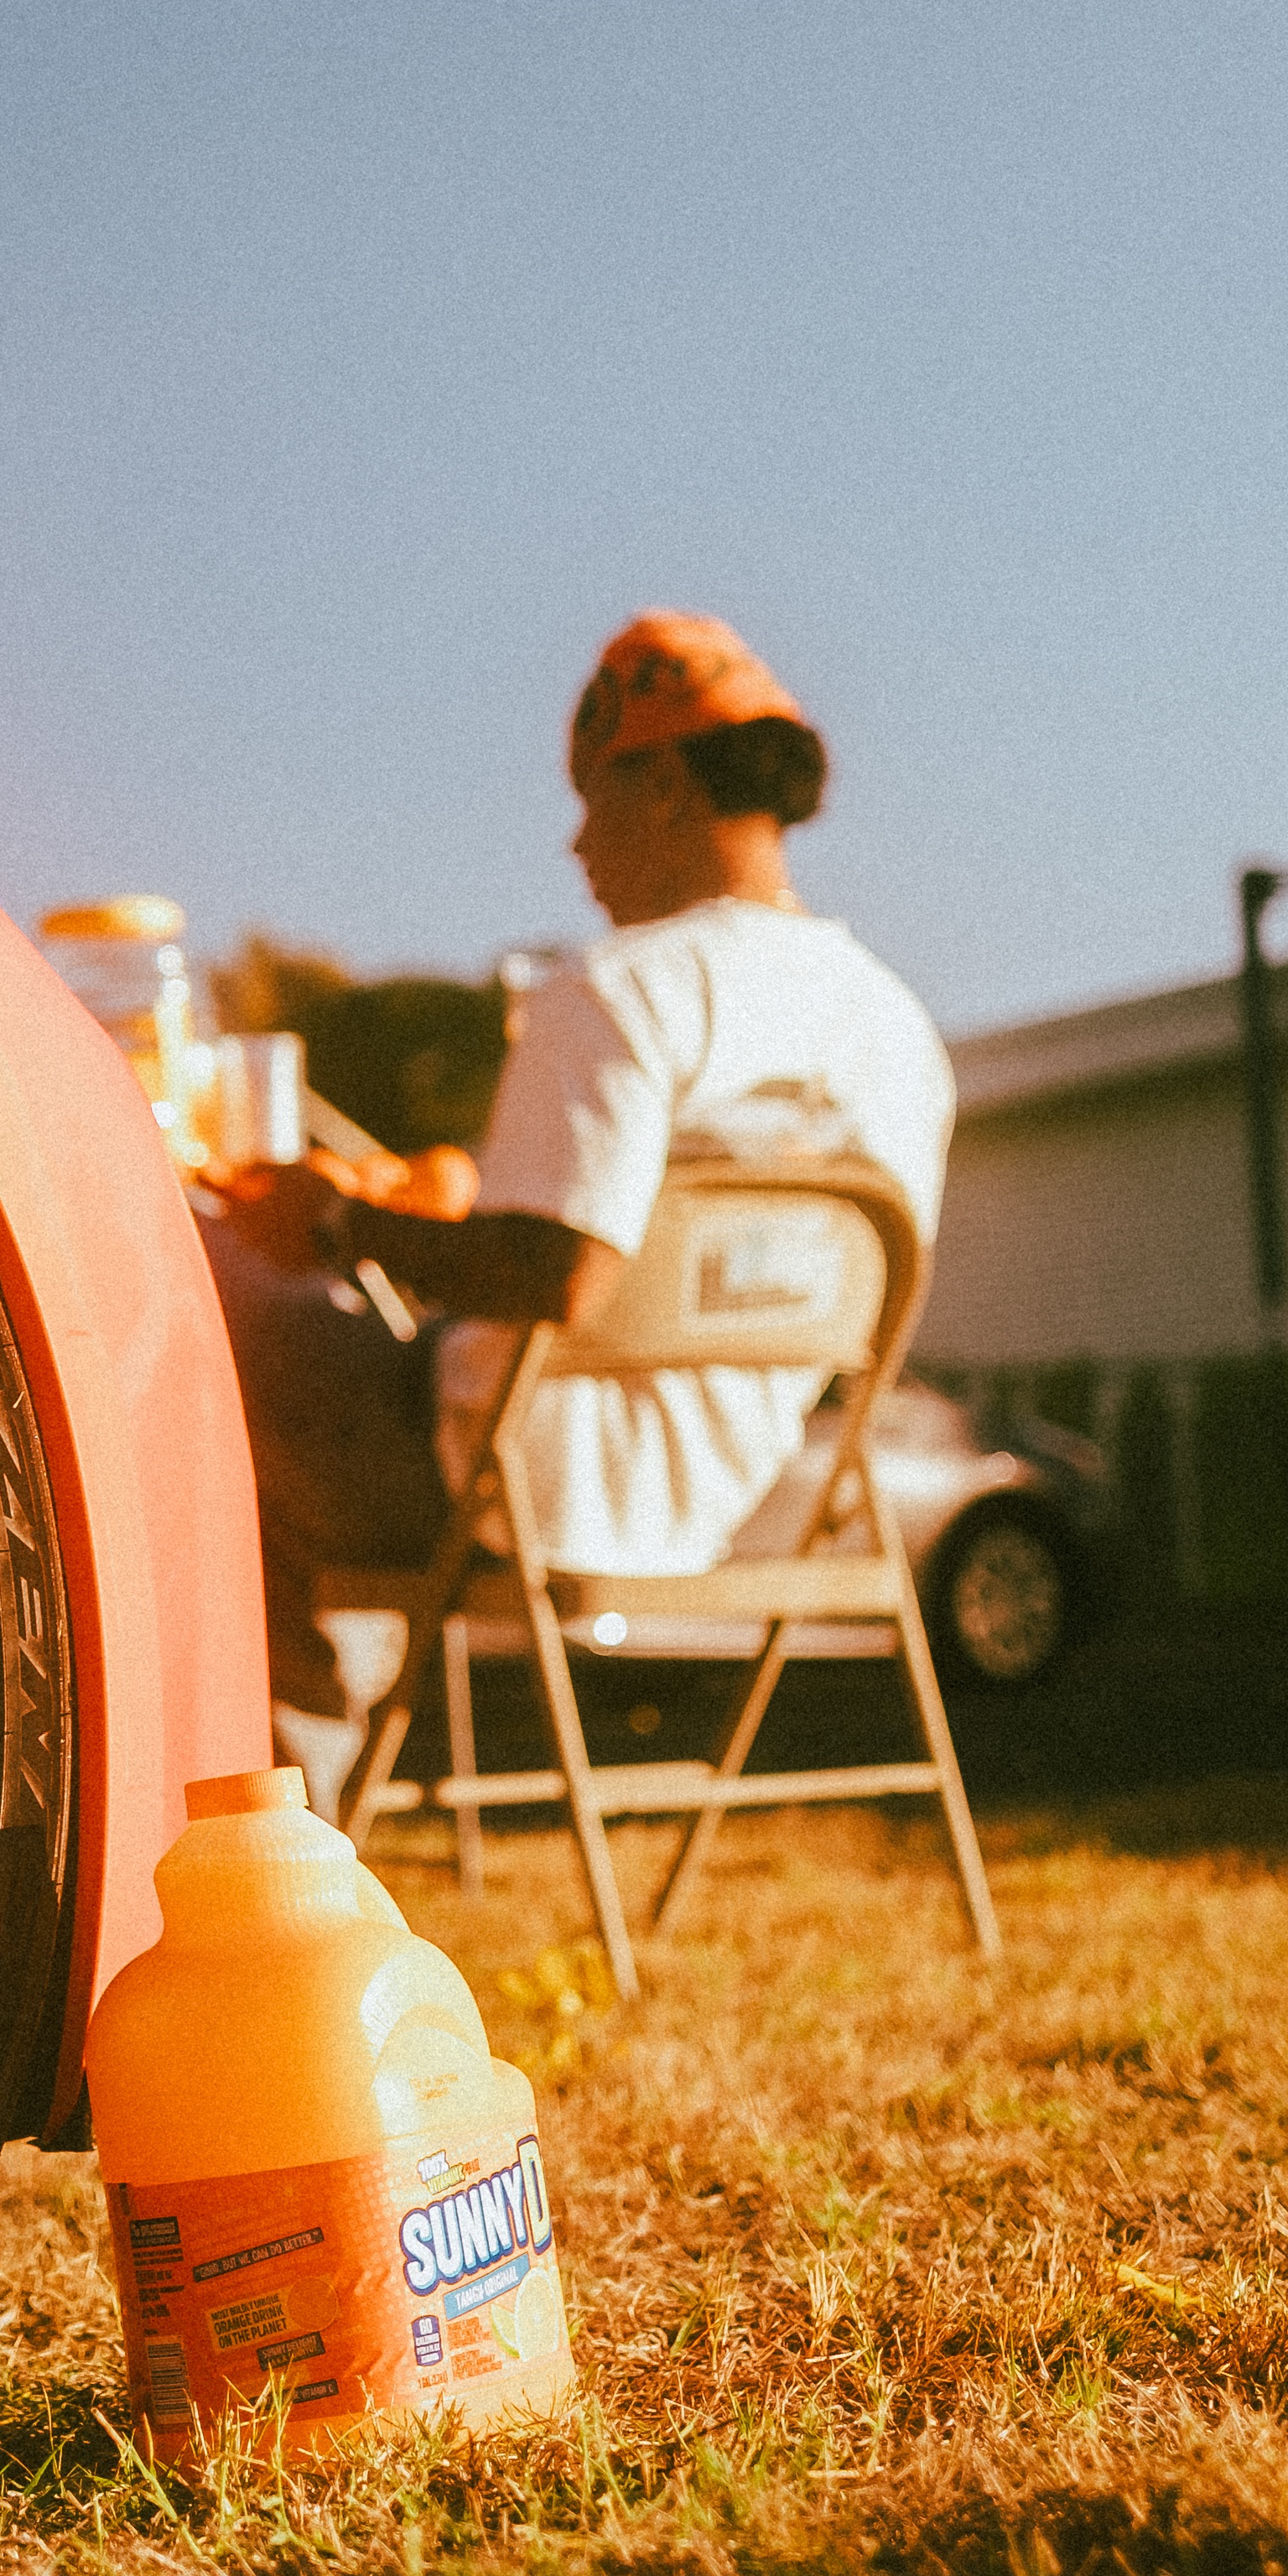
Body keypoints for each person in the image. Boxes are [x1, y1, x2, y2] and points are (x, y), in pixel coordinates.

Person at [210, 612, 954, 1819]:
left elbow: (557, 1275)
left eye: (590, 797)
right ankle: (317, 1780)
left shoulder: (621, 987)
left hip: (510, 1488)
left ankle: (296, 1813)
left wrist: (343, 1226)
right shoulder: (898, 1034)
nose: (575, 841)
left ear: (659, 786)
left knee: (213, 1324)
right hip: (729, 1502)